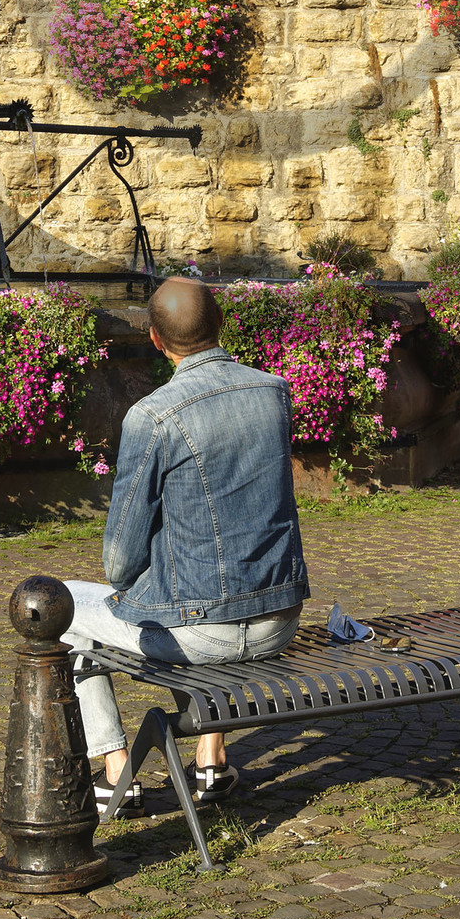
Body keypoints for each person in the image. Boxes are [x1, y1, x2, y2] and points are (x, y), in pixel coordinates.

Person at [61, 275, 309, 805]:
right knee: (198, 577)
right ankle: (211, 760)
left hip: (199, 634)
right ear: (221, 323)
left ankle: (115, 769)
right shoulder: (273, 392)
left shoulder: (153, 416)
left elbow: (120, 558)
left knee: (59, 605)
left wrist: (132, 586)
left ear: (155, 339)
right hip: (279, 622)